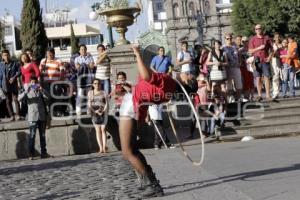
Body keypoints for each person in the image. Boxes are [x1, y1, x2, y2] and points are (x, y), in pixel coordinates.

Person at [119, 45, 177, 197]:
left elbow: (145, 77)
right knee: (132, 149)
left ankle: (152, 184)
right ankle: (149, 180)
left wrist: (137, 53)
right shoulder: (167, 90)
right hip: (136, 106)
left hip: (131, 106)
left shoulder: (166, 81)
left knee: (127, 152)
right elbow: (146, 88)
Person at [18, 76, 50, 160]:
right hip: (32, 117)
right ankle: (31, 154)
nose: (33, 84)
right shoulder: (28, 91)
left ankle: (44, 153)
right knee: (32, 136)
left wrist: (42, 90)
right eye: (32, 82)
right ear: (30, 83)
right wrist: (26, 91)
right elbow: (19, 98)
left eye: (35, 82)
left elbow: (48, 97)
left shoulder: (40, 90)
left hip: (41, 116)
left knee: (42, 136)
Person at [248, 24, 273, 101]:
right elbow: (250, 51)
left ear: (262, 29)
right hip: (256, 61)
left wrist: (269, 57)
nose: (258, 30)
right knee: (258, 78)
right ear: (255, 30)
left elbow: (272, 49)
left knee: (266, 78)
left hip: (265, 61)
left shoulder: (266, 38)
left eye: (259, 28)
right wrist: (259, 48)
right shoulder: (253, 39)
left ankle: (268, 95)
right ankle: (259, 95)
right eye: (256, 29)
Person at [88, 78, 109, 154]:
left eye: (98, 83)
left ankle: (104, 147)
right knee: (98, 130)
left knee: (103, 129)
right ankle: (100, 147)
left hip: (103, 112)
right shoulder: (90, 93)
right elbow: (89, 104)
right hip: (94, 112)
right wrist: (95, 111)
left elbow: (106, 102)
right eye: (95, 83)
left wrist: (104, 111)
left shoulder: (103, 92)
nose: (97, 85)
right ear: (93, 84)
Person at [0, 50, 21, 121]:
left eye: (7, 55)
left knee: (15, 99)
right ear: (2, 56)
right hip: (4, 85)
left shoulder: (15, 63)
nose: (6, 56)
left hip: (14, 84)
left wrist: (14, 77)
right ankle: (11, 115)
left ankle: (17, 115)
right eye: (4, 55)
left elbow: (19, 71)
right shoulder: (1, 65)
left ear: (9, 55)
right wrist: (1, 86)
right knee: (8, 101)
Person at [74, 44, 95, 116]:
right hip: (80, 80)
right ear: (79, 51)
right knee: (80, 95)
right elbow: (77, 67)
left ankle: (89, 110)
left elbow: (92, 66)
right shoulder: (76, 58)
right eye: (81, 49)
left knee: (89, 96)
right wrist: (86, 65)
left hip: (89, 79)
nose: (83, 50)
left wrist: (83, 65)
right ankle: (78, 111)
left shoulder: (90, 58)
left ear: (86, 50)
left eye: (84, 49)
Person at [223, 33, 243, 101]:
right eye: (227, 38)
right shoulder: (223, 48)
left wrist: (240, 62)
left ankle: (238, 98)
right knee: (229, 84)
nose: (229, 40)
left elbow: (239, 54)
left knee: (239, 84)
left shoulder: (235, 46)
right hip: (228, 68)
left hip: (236, 67)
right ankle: (230, 98)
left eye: (230, 38)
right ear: (225, 39)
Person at [271, 33, 282, 100]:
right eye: (276, 37)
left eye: (278, 37)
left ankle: (280, 92)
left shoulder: (282, 44)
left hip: (281, 61)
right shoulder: (272, 45)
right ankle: (275, 93)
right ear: (274, 38)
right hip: (274, 61)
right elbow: (272, 54)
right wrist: (276, 49)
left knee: (281, 77)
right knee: (275, 76)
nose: (277, 38)